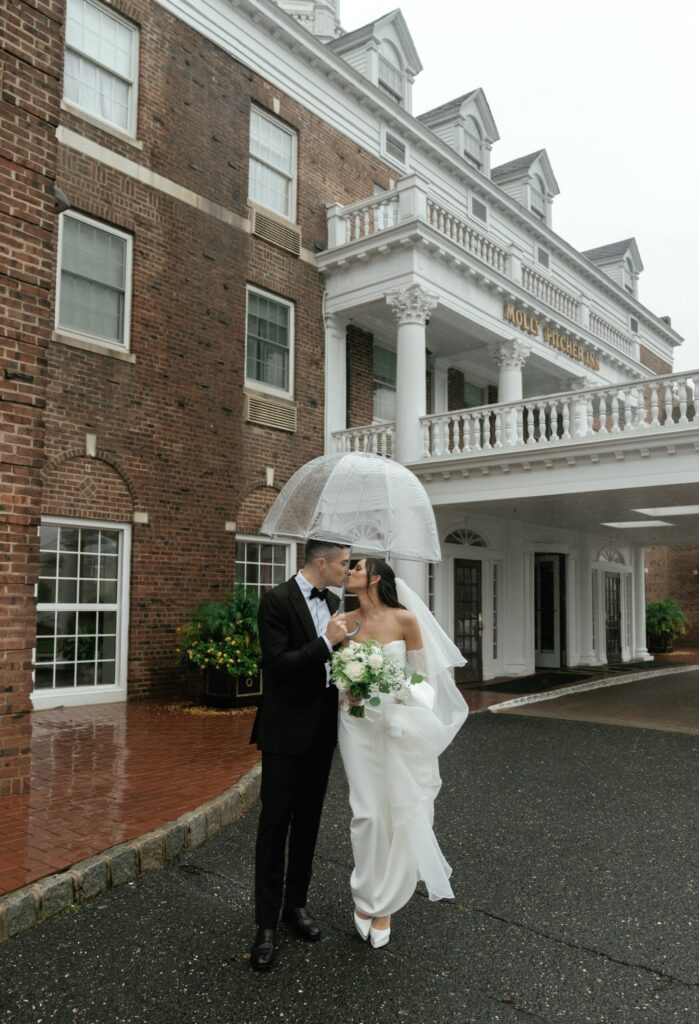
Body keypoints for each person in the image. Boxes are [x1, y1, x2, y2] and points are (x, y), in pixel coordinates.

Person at [338, 557, 469, 949]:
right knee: (366, 812)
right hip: (355, 721)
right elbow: (337, 672)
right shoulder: (343, 622)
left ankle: (385, 904)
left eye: (356, 568)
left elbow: (422, 678)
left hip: (394, 722)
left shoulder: (405, 620)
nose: (348, 574)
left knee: (395, 809)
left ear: (375, 577)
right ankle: (365, 895)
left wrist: (394, 687)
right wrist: (349, 686)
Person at [249, 539, 351, 972]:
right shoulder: (276, 600)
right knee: (275, 827)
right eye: (344, 563)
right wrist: (327, 644)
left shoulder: (333, 600)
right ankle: (266, 925)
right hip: (283, 733)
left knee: (308, 823)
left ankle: (296, 906)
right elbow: (278, 664)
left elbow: (330, 667)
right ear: (321, 562)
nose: (349, 570)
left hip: (321, 734)